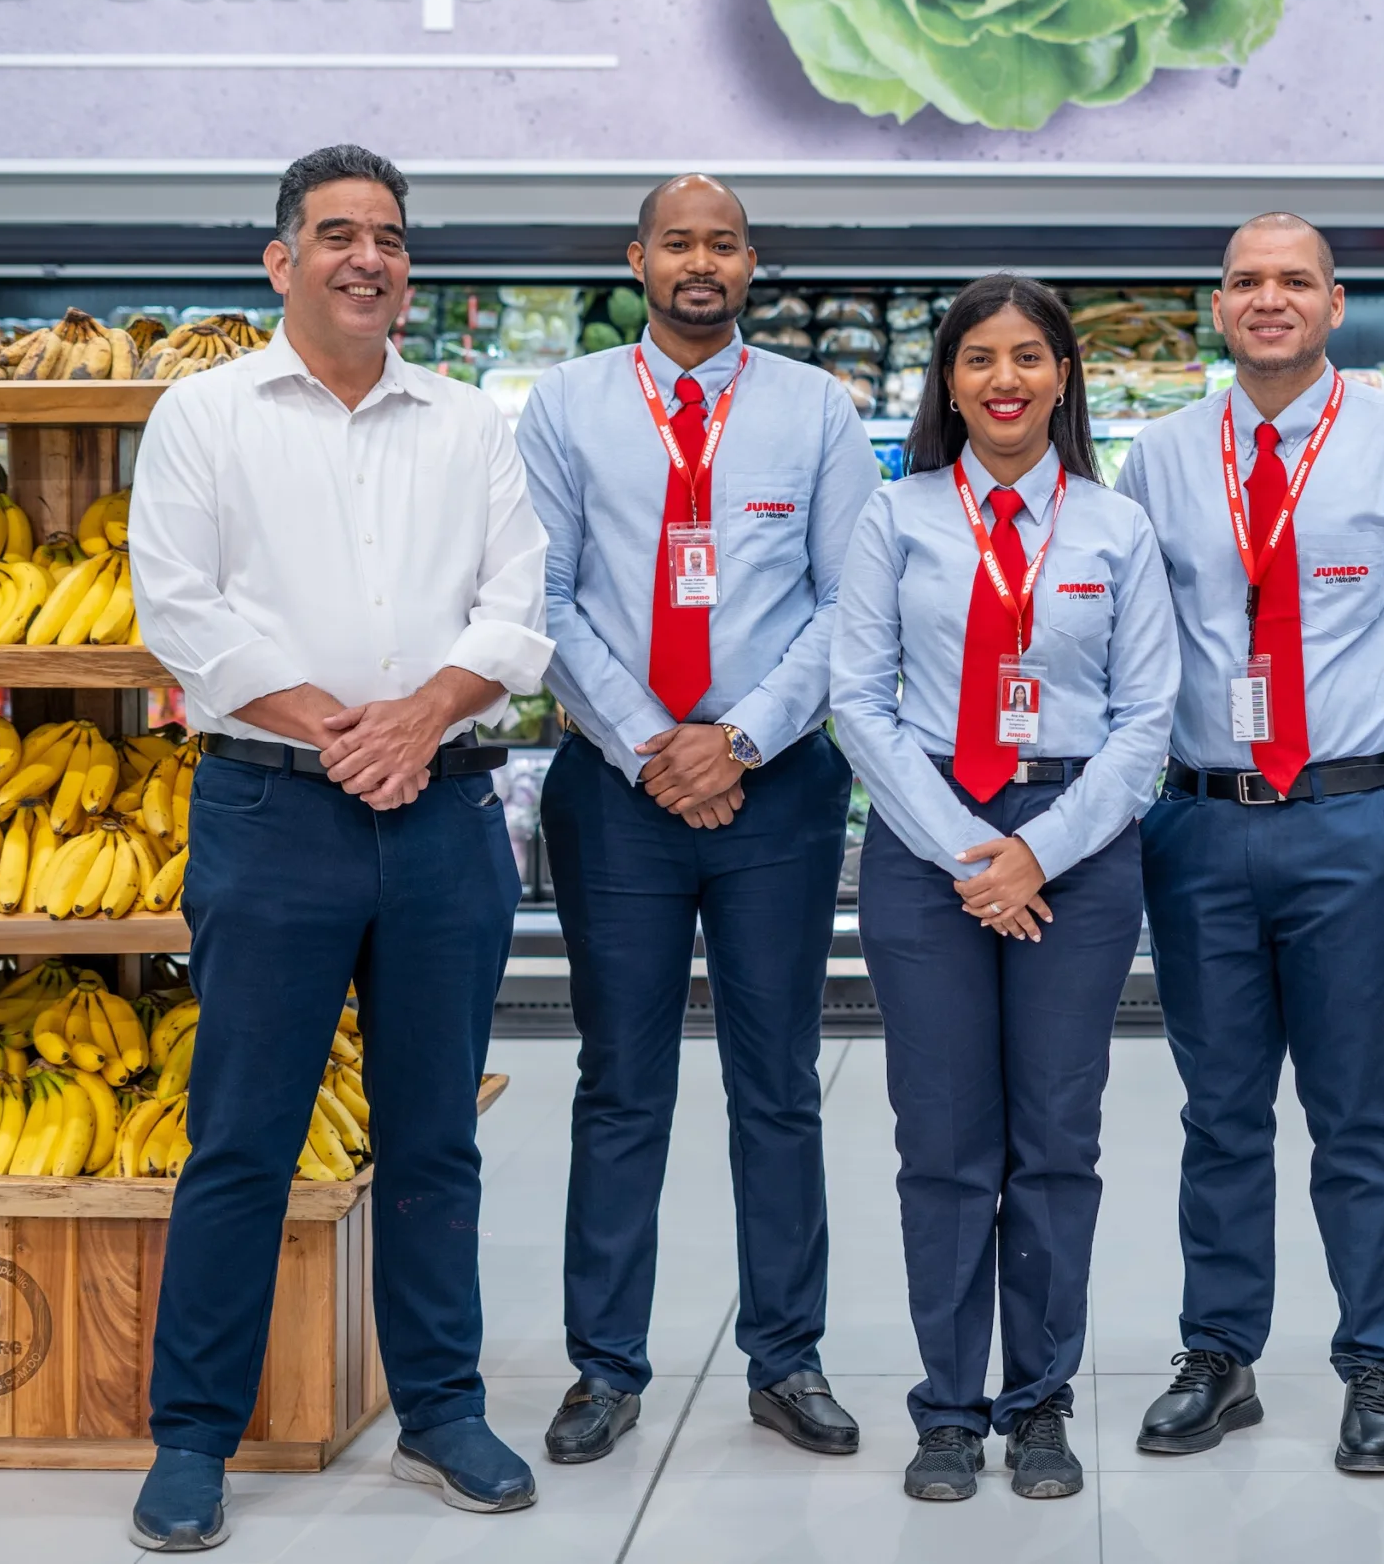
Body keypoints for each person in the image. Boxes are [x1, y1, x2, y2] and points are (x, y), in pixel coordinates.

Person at [125, 145, 554, 1550]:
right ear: (280, 260)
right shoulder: (204, 414)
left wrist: (419, 720)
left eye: (387, 237)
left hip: (441, 815)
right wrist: (342, 732)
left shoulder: (470, 422)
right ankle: (194, 1436)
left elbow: (516, 610)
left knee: (434, 1134)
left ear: (406, 265)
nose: (365, 257)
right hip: (269, 814)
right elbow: (183, 614)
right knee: (242, 1139)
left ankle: (440, 1405)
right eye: (335, 235)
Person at [1116, 214, 1384, 1474]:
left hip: (1348, 822)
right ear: (1215, 306)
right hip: (1201, 823)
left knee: (1352, 1115)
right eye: (1244, 282)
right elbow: (1129, 648)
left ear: (1336, 304)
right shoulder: (1159, 461)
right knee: (1218, 1113)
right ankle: (1217, 1357)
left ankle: (1372, 1366)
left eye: (1293, 281)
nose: (1267, 299)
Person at [515, 175, 876, 1467]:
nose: (702, 262)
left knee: (776, 1081)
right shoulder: (564, 407)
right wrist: (651, 741)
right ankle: (605, 1366)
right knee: (621, 1084)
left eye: (723, 242)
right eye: (679, 242)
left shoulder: (814, 409)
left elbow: (849, 601)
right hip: (618, 792)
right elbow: (545, 594)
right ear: (640, 259)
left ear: (751, 262)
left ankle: (788, 1358)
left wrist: (739, 737)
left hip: (772, 785)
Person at [830, 274, 1176, 1503]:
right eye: (978, 359)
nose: (1005, 380)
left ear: (1064, 376)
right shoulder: (897, 517)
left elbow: (1147, 722)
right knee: (942, 1140)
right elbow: (857, 703)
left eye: (1028, 356)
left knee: (1054, 1139)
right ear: (949, 382)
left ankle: (1037, 1402)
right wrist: (972, 852)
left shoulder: (1113, 527)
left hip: (1074, 845)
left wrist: (1043, 850)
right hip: (933, 847)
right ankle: (946, 1409)